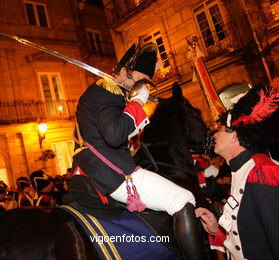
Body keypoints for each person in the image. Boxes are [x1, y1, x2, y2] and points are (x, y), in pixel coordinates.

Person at [72, 42, 205, 259]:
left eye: (147, 83)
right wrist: (137, 102)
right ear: (125, 71)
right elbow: (114, 135)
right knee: (183, 199)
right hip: (111, 173)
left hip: (103, 167)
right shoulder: (106, 91)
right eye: (140, 80)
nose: (143, 86)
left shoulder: (114, 94)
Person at [195, 77, 279, 259]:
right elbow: (251, 241)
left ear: (234, 136)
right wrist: (217, 230)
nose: (216, 133)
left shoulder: (264, 174)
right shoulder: (244, 170)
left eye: (221, 128)